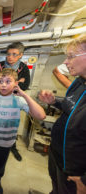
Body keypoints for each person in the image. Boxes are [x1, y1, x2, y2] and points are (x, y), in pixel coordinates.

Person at [0, 68, 46, 194]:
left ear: (16, 84)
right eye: (0, 81)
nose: (4, 84)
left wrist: (24, 94)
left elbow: (41, 116)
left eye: (8, 81)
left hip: (6, 143)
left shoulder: (18, 100)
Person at [38, 34, 86, 194]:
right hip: (58, 154)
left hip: (75, 169)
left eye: (71, 56)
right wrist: (54, 102)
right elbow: (71, 107)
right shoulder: (79, 82)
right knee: (56, 186)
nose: (66, 62)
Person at [0, 42, 30, 161]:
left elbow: (25, 85)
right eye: (8, 54)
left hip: (14, 102)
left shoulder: (24, 68)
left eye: (14, 54)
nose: (10, 57)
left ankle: (13, 146)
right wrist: (15, 84)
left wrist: (3, 84)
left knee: (11, 125)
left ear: (21, 55)